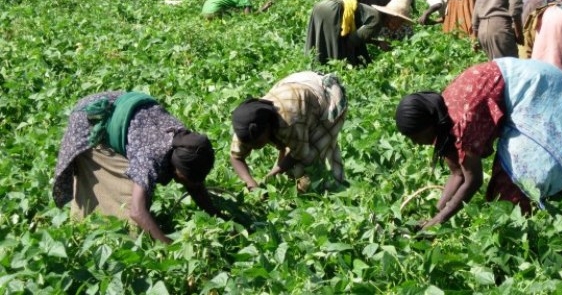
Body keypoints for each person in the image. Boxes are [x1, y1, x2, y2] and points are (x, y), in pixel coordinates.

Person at [395, 58, 562, 228]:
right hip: (523, 83)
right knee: (517, 178)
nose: (416, 143)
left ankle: (533, 228)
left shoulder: (460, 120)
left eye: (416, 136)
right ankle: (551, 216)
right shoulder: (440, 115)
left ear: (428, 124)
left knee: (517, 177)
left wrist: (438, 222)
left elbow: (472, 180)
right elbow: (457, 174)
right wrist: (434, 213)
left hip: (539, 87)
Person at [53, 91, 226, 244]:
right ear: (177, 169)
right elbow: (137, 210)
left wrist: (219, 217)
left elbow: (195, 185)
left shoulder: (184, 143)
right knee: (126, 194)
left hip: (119, 108)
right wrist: (168, 247)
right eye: (189, 179)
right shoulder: (151, 156)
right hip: (90, 120)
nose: (191, 184)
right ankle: (97, 231)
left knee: (138, 188)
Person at [230, 71, 348, 193]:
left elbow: (300, 153)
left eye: (258, 142)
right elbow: (236, 157)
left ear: (268, 127)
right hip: (298, 92)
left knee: (305, 163)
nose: (254, 147)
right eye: (249, 144)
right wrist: (250, 182)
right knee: (298, 156)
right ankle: (333, 184)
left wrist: (271, 175)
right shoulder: (245, 126)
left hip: (327, 97)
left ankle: (326, 190)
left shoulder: (289, 122)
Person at [305, 0, 415, 66]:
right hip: (333, 10)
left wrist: (376, 43)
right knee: (337, 53)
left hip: (321, 7)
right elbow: (352, 41)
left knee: (320, 46)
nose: (398, 26)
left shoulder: (369, 13)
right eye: (399, 21)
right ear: (391, 17)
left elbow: (359, 35)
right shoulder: (375, 19)